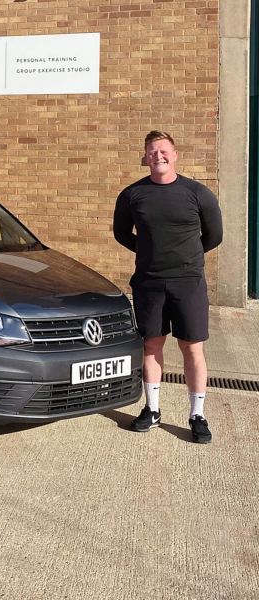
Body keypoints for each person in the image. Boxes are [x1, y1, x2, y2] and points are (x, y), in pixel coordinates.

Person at [113, 130, 223, 443]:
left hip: (188, 283)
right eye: (152, 151)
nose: (158, 156)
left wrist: (186, 258)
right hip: (149, 282)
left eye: (163, 151)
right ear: (145, 157)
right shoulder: (132, 195)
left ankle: (197, 414)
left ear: (174, 155)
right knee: (152, 345)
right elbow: (122, 234)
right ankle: (153, 410)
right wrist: (149, 253)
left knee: (191, 347)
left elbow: (213, 236)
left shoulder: (197, 193)